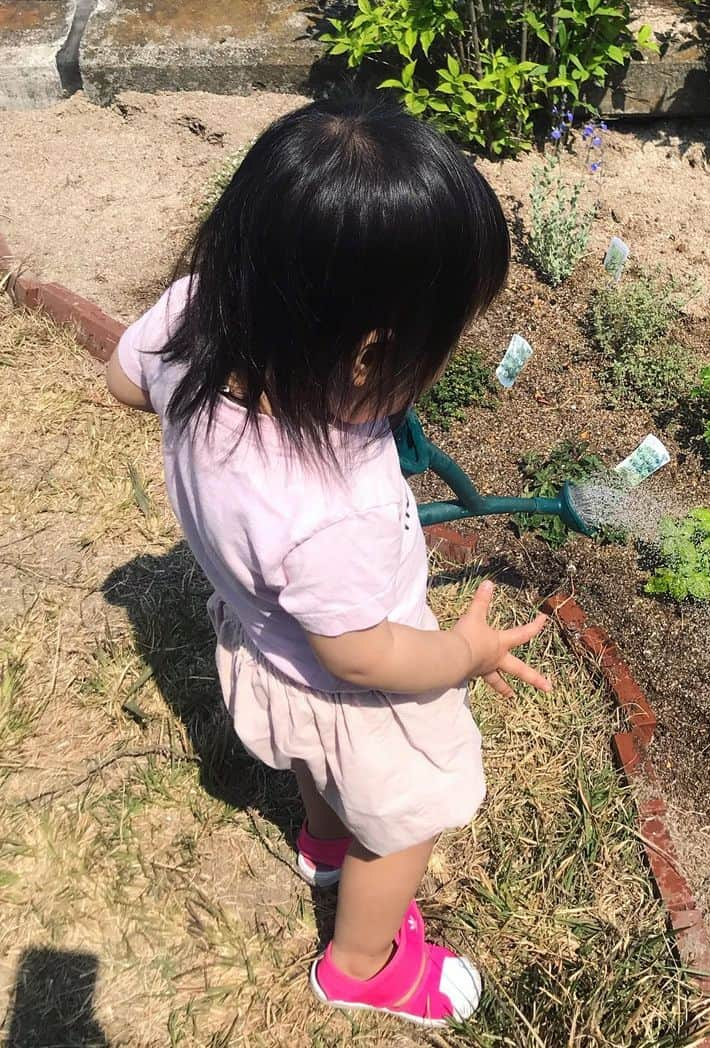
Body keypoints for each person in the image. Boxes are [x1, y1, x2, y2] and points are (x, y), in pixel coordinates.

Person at [105, 98, 552, 1027]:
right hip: (352, 684)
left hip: (266, 649)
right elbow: (362, 658)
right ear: (368, 356)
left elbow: (121, 379)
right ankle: (365, 966)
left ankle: (321, 843)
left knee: (322, 770)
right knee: (401, 819)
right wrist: (462, 654)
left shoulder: (196, 315)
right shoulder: (327, 509)